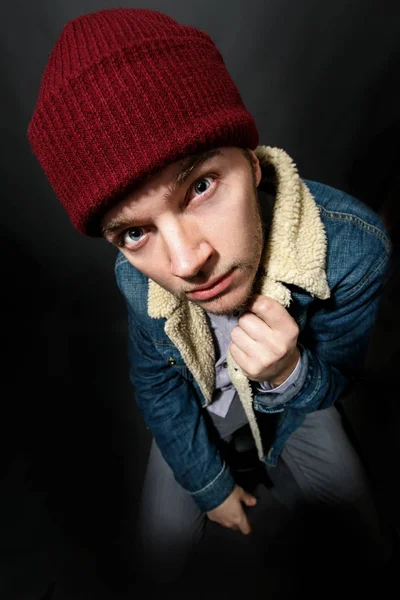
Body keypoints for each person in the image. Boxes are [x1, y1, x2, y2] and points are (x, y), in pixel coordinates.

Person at [27, 7, 393, 584]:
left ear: (250, 163)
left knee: (357, 529)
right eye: (135, 231)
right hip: (199, 406)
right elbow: (155, 383)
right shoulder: (136, 276)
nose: (185, 263)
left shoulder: (352, 246)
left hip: (298, 410)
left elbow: (338, 377)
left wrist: (288, 373)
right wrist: (210, 485)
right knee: (161, 545)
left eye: (200, 186)